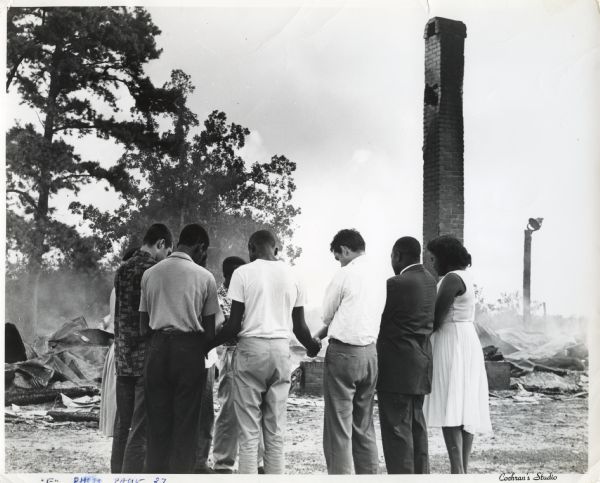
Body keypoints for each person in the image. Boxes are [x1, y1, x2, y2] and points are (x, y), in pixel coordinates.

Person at [209, 230, 320, 474]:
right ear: (276, 250)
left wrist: (206, 344)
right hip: (281, 351)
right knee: (275, 432)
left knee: (249, 432)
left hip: (251, 352)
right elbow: (300, 328)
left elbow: (234, 325)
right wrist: (313, 346)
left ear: (251, 249)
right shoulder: (294, 275)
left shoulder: (242, 273)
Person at [140, 223, 219, 474]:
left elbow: (143, 326)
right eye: (204, 252)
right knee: (186, 427)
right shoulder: (205, 277)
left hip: (157, 350)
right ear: (201, 247)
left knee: (157, 426)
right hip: (189, 351)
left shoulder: (151, 273)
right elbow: (209, 332)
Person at [314, 228, 385, 475]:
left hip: (344, 353)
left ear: (344, 249)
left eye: (338, 256)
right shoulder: (379, 275)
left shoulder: (345, 274)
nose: (339, 261)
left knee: (338, 425)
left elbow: (326, 313)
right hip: (370, 354)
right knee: (363, 424)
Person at [422, 235, 492, 474]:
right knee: (465, 402)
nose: (432, 263)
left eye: (433, 258)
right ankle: (461, 468)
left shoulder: (452, 278)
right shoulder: (466, 276)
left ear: (444, 257)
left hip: (452, 340)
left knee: (451, 400)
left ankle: (457, 469)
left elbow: (436, 318)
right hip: (465, 338)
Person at [111, 227, 173, 473]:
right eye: (167, 251)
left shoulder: (122, 269)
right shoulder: (154, 272)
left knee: (122, 424)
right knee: (141, 427)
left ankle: (116, 474)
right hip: (144, 358)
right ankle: (133, 476)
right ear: (160, 243)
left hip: (122, 358)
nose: (167, 258)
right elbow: (152, 319)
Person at [376, 237, 436, 474]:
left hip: (396, 367)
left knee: (396, 432)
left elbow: (379, 321)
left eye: (392, 257)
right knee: (416, 427)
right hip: (421, 364)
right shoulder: (431, 281)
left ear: (398, 255)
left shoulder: (395, 284)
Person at [211, 256, 265, 474]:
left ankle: (259, 462)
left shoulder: (247, 291)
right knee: (229, 411)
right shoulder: (219, 296)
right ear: (227, 275)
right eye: (236, 274)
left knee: (256, 408)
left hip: (252, 353)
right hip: (233, 353)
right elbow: (226, 327)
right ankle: (223, 462)